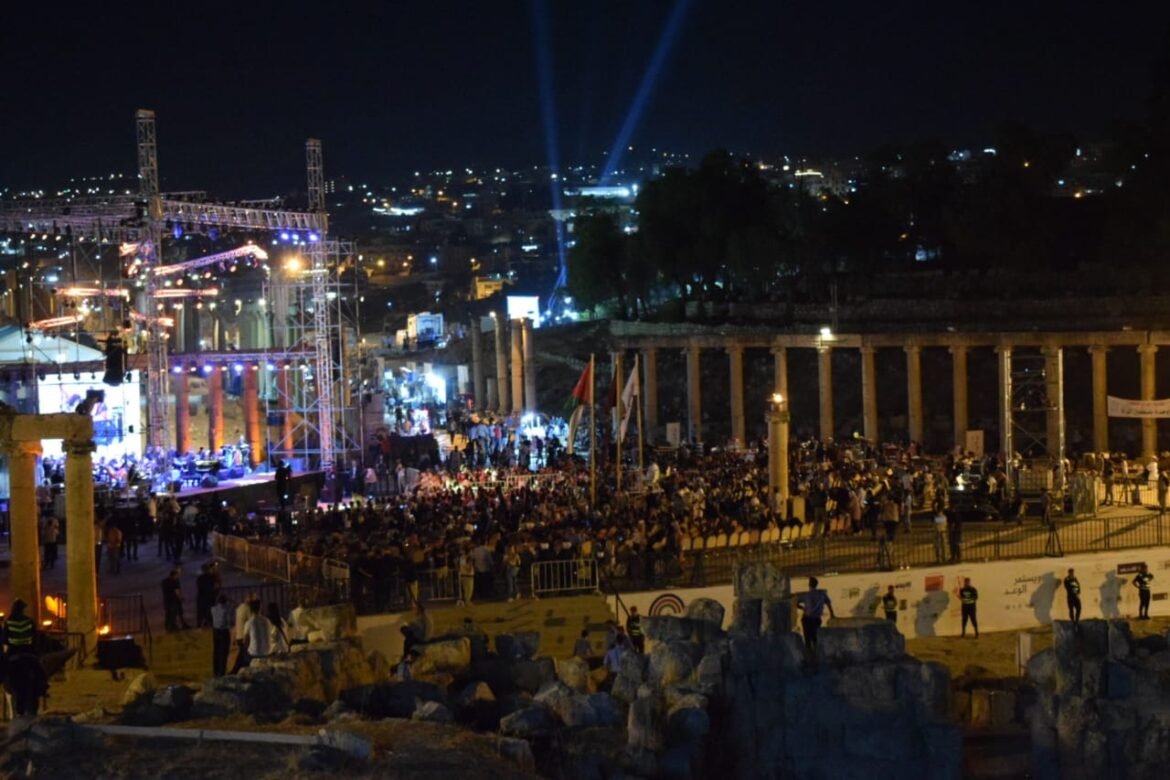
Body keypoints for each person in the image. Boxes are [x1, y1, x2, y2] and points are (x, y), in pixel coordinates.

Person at [796, 577, 835, 652]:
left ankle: (809, 654)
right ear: (817, 584)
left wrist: (803, 608)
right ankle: (816, 654)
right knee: (815, 639)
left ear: (809, 584)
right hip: (816, 619)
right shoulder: (822, 594)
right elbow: (829, 604)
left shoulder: (806, 595)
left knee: (807, 639)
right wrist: (832, 614)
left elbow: (797, 604)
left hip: (807, 619)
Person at [231, 591, 258, 673]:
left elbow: (236, 623)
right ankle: (237, 671)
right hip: (245, 637)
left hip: (239, 636)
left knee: (242, 655)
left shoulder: (239, 608)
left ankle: (236, 671)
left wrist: (234, 637)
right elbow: (252, 622)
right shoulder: (249, 609)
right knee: (246, 656)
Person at [210, 594, 232, 677]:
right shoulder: (226, 610)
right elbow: (228, 622)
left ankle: (215, 671)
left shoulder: (213, 609)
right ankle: (222, 672)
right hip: (224, 631)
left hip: (215, 631)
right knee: (224, 652)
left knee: (216, 651)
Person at [196, 563, 218, 628]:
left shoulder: (200, 578)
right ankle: (211, 624)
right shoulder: (212, 577)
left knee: (201, 612)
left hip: (202, 597)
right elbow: (215, 586)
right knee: (211, 611)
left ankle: (200, 625)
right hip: (210, 597)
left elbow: (199, 587)